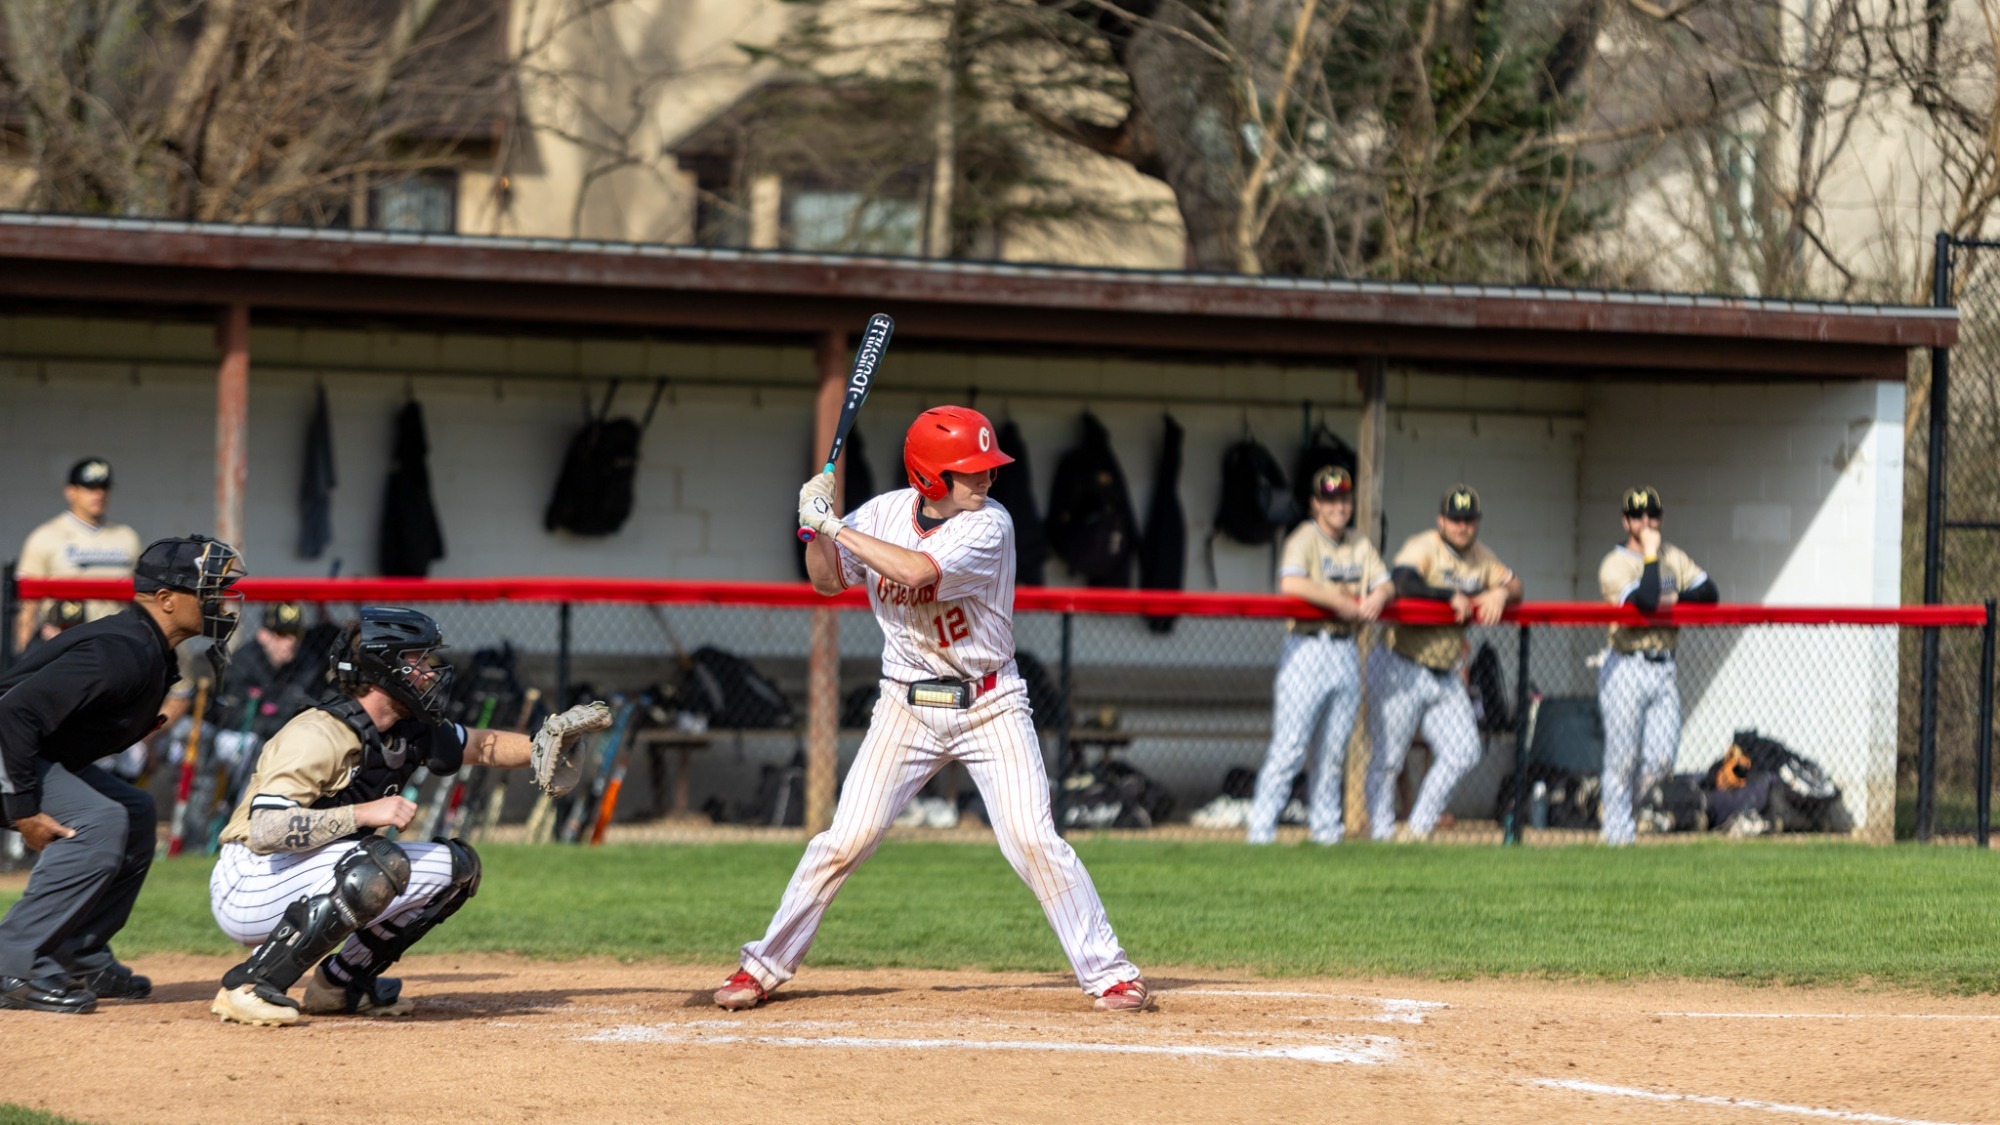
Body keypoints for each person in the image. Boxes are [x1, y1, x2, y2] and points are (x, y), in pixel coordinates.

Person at [713, 406, 1150, 1013]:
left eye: (988, 467)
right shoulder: (883, 514)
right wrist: (811, 530)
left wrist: (835, 526)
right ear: (930, 477)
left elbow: (917, 571)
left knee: (1032, 840)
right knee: (846, 839)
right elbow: (825, 581)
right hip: (905, 704)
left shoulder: (991, 525)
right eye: (971, 470)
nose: (987, 479)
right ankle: (761, 967)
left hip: (989, 703)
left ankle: (1110, 974)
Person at [207, 606, 609, 1027]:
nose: (430, 671)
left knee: (456, 868)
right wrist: (364, 813)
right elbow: (266, 829)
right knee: (376, 864)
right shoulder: (317, 734)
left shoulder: (408, 726)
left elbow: (479, 744)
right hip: (250, 880)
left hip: (311, 871)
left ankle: (340, 985)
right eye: (417, 660)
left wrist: (541, 747)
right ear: (385, 668)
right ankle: (250, 985)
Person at [0, 535, 245, 1014]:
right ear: (166, 599)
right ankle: (14, 960)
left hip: (21, 752)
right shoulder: (122, 651)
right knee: (100, 819)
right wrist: (23, 809)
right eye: (208, 589)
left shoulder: (149, 648)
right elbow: (12, 715)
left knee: (135, 811)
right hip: (6, 748)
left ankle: (78, 953)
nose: (220, 600)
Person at [1365, 485, 1522, 841]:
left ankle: (1418, 830)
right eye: (1455, 519)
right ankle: (1380, 834)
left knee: (1463, 751)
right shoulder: (1424, 547)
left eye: (1468, 520)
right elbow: (1403, 583)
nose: (1462, 527)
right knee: (1388, 759)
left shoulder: (1482, 557)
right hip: (1400, 663)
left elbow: (1517, 586)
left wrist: (1500, 591)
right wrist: (1450, 595)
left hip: (1444, 672)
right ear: (1441, 520)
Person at [1246, 467, 1393, 845]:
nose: (1338, 506)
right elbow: (1291, 582)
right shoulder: (1304, 538)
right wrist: (1339, 601)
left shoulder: (1359, 542)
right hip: (1307, 648)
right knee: (1291, 747)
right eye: (1330, 499)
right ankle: (1260, 831)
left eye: (1343, 498)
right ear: (1316, 504)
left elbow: (1385, 582)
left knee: (1332, 750)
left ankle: (1327, 832)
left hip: (1345, 650)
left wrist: (1377, 596)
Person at [1597, 486, 1718, 845]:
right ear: (1625, 521)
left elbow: (1709, 594)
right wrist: (1650, 554)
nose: (1645, 522)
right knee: (1622, 757)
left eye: (1652, 515)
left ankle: (1619, 815)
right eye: (1637, 516)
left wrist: (1675, 596)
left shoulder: (1674, 557)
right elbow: (1646, 601)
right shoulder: (1615, 563)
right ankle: (1617, 835)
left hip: (1664, 665)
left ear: (1660, 517)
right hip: (1626, 665)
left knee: (1662, 759)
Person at [13, 458, 142, 651]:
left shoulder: (127, 537)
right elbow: (27, 606)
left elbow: (143, 598)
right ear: (71, 491)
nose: (99, 494)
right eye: (90, 487)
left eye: (104, 487)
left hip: (115, 643)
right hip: (63, 644)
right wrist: (22, 653)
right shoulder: (45, 536)